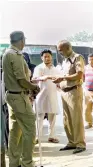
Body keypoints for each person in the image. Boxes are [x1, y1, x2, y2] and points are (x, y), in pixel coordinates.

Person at [2, 31, 40, 167]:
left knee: (15, 130)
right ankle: (27, 163)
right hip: (19, 96)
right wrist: (34, 87)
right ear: (22, 40)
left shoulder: (7, 53)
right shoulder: (15, 55)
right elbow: (22, 80)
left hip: (12, 95)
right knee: (29, 131)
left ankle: (14, 162)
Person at [53, 40, 86, 154]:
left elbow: (79, 74)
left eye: (60, 50)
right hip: (64, 91)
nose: (60, 53)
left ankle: (80, 144)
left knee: (76, 119)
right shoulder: (65, 61)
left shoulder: (77, 58)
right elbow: (64, 75)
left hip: (74, 91)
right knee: (67, 119)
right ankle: (72, 142)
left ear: (67, 48)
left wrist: (63, 78)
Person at [32, 49, 61, 143]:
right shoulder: (39, 68)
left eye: (48, 56)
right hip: (41, 96)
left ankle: (52, 136)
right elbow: (34, 79)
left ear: (51, 57)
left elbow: (59, 81)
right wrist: (44, 77)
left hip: (52, 95)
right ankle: (37, 137)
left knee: (52, 116)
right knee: (39, 116)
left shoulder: (55, 69)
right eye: (45, 56)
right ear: (42, 58)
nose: (47, 58)